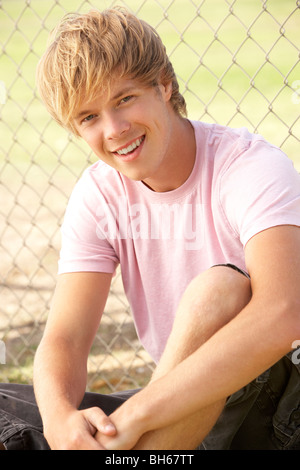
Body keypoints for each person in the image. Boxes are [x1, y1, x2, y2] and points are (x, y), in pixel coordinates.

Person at [1, 7, 300, 450]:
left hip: (280, 404)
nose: (115, 130)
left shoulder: (250, 167)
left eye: (124, 99)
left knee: (219, 289)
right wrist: (61, 420)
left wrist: (139, 412)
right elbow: (64, 337)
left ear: (163, 84)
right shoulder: (100, 194)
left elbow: (283, 310)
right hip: (182, 410)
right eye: (89, 117)